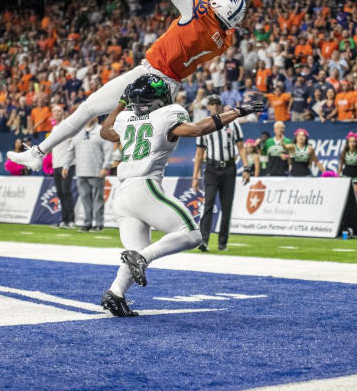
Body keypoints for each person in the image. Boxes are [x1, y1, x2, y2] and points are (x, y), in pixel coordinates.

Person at [7, 0, 246, 171]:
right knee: (148, 142)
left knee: (89, 108)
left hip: (149, 75)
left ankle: (39, 153)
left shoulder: (198, 13)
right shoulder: (223, 42)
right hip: (169, 87)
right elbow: (211, 14)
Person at [98, 74, 263, 317]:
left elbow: (105, 131)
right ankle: (141, 258)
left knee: (137, 249)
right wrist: (237, 111)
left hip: (122, 194)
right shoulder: (166, 115)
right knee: (191, 234)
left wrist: (122, 102)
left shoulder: (125, 118)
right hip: (144, 186)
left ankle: (115, 294)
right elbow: (198, 129)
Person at [191, 95, 251, 252]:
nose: (215, 106)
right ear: (208, 107)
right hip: (211, 168)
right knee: (208, 204)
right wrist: (195, 176)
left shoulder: (233, 123)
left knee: (226, 206)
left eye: (217, 103)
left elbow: (241, 147)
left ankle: (222, 243)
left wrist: (246, 167)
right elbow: (199, 154)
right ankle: (203, 240)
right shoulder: (204, 125)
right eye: (212, 104)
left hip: (229, 169)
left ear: (221, 105)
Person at [72, 116, 113, 232]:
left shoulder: (102, 130)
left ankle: (99, 223)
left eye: (92, 116)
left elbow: (109, 150)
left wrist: (105, 167)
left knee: (98, 199)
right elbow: (71, 149)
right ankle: (87, 223)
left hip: (97, 171)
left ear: (95, 117)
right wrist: (66, 165)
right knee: (85, 199)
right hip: (81, 171)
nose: (89, 118)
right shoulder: (78, 132)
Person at [49, 106, 76, 229]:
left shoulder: (67, 125)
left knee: (66, 192)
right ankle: (64, 220)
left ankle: (71, 220)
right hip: (56, 165)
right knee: (60, 193)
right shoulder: (54, 128)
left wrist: (67, 164)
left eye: (59, 111)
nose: (57, 113)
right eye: (55, 111)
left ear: (63, 113)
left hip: (67, 165)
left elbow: (72, 146)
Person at [338, 132, 357, 196]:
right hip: (345, 176)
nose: (352, 143)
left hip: (356, 177)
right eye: (350, 142)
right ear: (348, 143)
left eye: (354, 142)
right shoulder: (343, 153)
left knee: (355, 196)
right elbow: (340, 166)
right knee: (345, 196)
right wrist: (338, 177)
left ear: (356, 143)